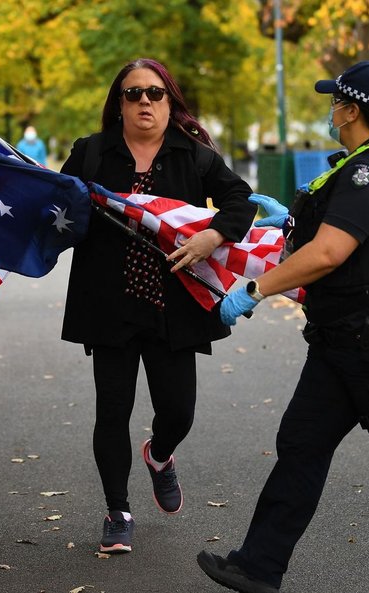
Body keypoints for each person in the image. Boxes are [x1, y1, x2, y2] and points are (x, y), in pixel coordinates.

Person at [196, 61, 369, 593]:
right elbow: (357, 243)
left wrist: (254, 290)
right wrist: (289, 221)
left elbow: (330, 252)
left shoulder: (368, 171)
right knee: (302, 443)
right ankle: (257, 566)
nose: (330, 110)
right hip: (346, 339)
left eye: (335, 102)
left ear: (352, 110)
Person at [60, 58, 256, 554]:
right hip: (108, 305)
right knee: (112, 411)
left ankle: (161, 455)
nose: (144, 101)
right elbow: (57, 210)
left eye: (154, 93)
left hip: (176, 307)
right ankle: (117, 511)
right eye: (133, 94)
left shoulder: (193, 156)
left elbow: (240, 200)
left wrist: (212, 236)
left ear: (170, 101)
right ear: (118, 103)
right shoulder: (90, 153)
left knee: (178, 411)